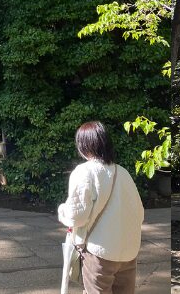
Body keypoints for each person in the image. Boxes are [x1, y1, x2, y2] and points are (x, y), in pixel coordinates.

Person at [58, 121, 145, 294]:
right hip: (128, 253)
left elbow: (77, 216)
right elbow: (139, 213)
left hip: (99, 253)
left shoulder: (85, 171)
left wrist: (62, 211)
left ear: (84, 145)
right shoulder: (123, 172)